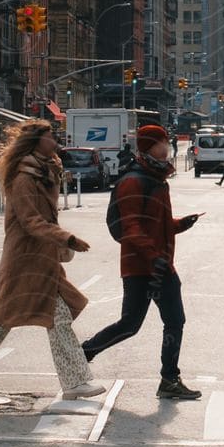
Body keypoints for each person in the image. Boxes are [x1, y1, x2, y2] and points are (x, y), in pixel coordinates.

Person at [0, 119, 105, 401]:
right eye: (50, 138)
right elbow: (31, 220)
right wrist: (67, 239)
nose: (56, 143)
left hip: (42, 259)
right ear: (36, 141)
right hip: (24, 260)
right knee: (9, 319)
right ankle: (74, 382)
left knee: (46, 317)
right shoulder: (24, 177)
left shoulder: (44, 171)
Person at [81, 123, 203, 401]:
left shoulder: (155, 178)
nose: (169, 147)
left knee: (172, 321)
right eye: (163, 142)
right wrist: (154, 258)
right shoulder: (134, 181)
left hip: (157, 264)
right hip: (143, 266)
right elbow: (132, 227)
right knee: (131, 324)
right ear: (151, 146)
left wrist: (180, 224)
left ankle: (169, 379)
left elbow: (154, 225)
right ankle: (83, 353)